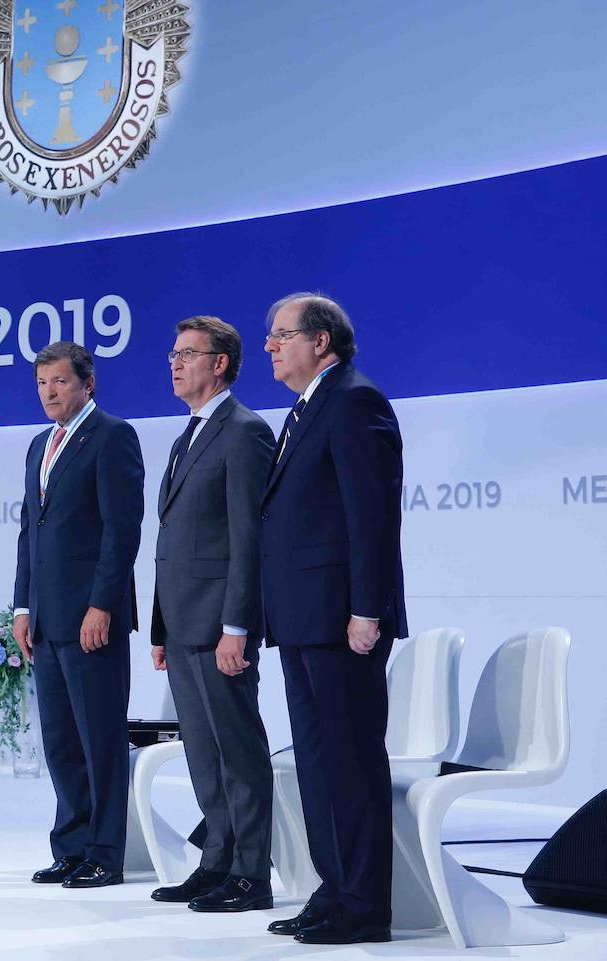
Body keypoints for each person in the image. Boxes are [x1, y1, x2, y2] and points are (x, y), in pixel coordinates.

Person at [259, 293, 406, 945]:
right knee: (318, 766)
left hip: (343, 619)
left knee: (349, 762)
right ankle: (333, 887)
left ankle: (365, 903)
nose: (270, 346)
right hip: (301, 619)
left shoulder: (353, 399)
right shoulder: (306, 408)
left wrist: (366, 608)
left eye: (281, 335)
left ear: (321, 341)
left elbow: (370, 516)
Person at [147, 316, 276, 912]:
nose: (175, 363)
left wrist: (237, 626)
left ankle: (251, 874)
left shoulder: (244, 432)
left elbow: (248, 539)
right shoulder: (186, 437)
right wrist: (159, 627)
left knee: (238, 752)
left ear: (220, 362)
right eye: (173, 354)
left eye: (187, 354)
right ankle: (217, 860)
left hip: (221, 626)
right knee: (203, 754)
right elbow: (171, 539)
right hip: (182, 624)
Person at [13, 340, 144, 889]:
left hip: (92, 618)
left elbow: (121, 532)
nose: (49, 392)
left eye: (60, 382)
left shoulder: (112, 436)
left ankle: (104, 853)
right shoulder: (39, 444)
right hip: (45, 619)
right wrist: (22, 605)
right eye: (42, 383)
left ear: (87, 384)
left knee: (100, 740)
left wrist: (102, 604)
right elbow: (29, 531)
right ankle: (70, 844)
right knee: (61, 741)